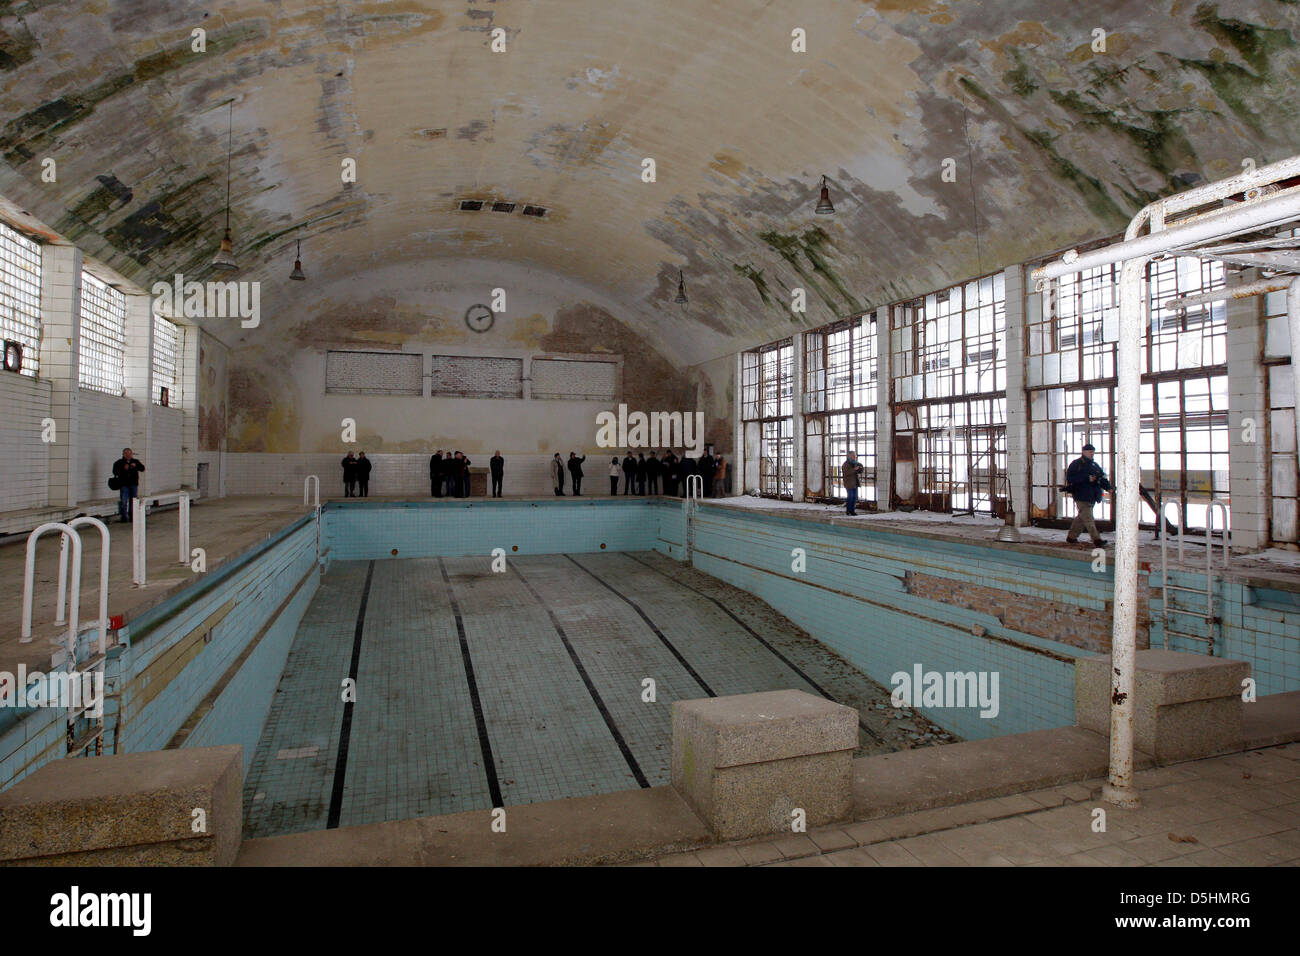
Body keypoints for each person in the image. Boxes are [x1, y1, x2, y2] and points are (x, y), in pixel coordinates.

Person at [1065, 442, 1111, 546]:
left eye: (1093, 452)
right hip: (1081, 495)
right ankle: (1097, 540)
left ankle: (1071, 537)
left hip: (1092, 495)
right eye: (1090, 452)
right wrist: (1086, 478)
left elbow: (1102, 478)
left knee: (1082, 518)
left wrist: (1108, 487)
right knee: (1089, 519)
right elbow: (1070, 478)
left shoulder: (1094, 465)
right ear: (1084, 452)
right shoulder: (1076, 464)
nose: (1092, 454)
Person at [111, 447, 145, 522]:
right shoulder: (119, 462)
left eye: (130, 454)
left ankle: (132, 516)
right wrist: (123, 469)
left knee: (133, 501)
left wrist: (136, 466)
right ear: (123, 454)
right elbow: (115, 472)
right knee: (124, 501)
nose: (128, 455)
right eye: (126, 454)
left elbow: (142, 468)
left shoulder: (135, 461)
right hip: (124, 484)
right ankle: (124, 517)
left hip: (133, 484)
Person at [842, 450, 864, 516]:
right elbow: (846, 473)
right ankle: (848, 510)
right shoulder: (845, 464)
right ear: (849, 456)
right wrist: (854, 469)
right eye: (853, 455)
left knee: (854, 498)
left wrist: (860, 468)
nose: (855, 457)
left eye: (855, 455)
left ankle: (852, 511)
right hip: (849, 483)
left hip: (855, 483)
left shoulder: (855, 463)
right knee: (850, 497)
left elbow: (860, 471)